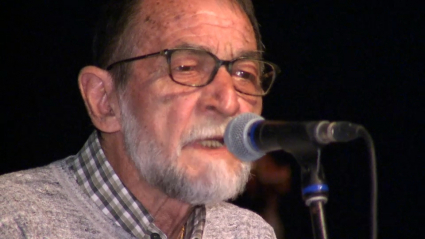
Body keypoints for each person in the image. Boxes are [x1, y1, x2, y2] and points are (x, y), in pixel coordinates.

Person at [0, 0, 281, 238]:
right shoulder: (13, 221)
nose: (229, 101)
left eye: (244, 74)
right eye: (187, 68)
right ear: (104, 101)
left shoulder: (248, 232)